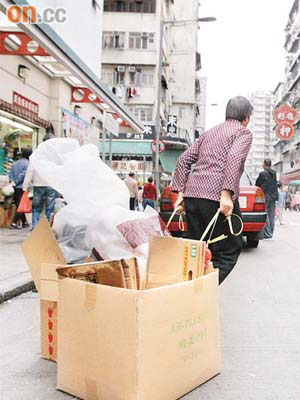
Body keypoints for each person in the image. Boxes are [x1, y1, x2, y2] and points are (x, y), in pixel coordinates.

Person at [172, 96, 253, 284]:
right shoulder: (243, 133)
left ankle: (182, 292)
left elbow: (183, 160)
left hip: (193, 197)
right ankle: (201, 293)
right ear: (247, 118)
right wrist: (226, 195)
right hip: (215, 198)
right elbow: (234, 159)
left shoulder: (209, 133)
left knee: (196, 249)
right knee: (228, 250)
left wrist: (181, 193)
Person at [22, 131, 58, 228]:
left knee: (37, 207)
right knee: (49, 208)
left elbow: (30, 170)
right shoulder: (56, 156)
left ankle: (35, 226)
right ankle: (46, 228)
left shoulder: (38, 154)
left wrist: (25, 186)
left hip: (38, 185)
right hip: (51, 185)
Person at [9, 148, 31, 229]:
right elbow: (23, 175)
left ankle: (24, 222)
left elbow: (10, 173)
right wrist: (17, 181)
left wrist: (12, 181)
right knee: (20, 206)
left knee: (19, 204)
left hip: (14, 187)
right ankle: (14, 223)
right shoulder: (27, 164)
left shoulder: (15, 163)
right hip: (22, 187)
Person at [256, 159, 278, 239]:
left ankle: (267, 233)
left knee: (267, 215)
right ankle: (271, 232)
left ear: (265, 164)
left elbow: (257, 183)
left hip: (265, 196)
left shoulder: (263, 174)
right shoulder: (274, 173)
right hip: (273, 197)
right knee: (272, 215)